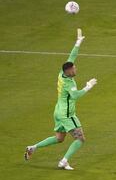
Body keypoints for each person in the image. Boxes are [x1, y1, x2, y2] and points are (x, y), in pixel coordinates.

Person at [24, 28, 97, 170]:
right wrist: (88, 86)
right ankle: (63, 161)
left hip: (58, 110)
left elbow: (71, 57)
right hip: (67, 114)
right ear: (68, 72)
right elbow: (75, 96)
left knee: (59, 138)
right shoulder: (68, 83)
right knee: (80, 139)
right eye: (74, 69)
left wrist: (78, 43)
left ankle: (33, 147)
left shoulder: (61, 73)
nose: (75, 69)